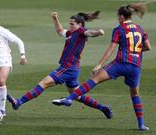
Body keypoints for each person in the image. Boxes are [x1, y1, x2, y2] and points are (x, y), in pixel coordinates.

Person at [53, 3, 151, 131]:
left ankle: (69, 99)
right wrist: (135, 51)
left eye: (118, 16)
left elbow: (111, 48)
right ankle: (141, 124)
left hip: (120, 63)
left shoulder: (119, 29)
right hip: (135, 66)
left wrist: (99, 64)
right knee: (135, 94)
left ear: (122, 16)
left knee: (94, 80)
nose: (117, 19)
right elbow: (148, 47)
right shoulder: (140, 28)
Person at [7, 11, 113, 119]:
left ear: (79, 25)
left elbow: (89, 33)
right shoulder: (70, 33)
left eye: (72, 24)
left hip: (68, 68)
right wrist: (55, 19)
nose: (70, 26)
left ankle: (19, 102)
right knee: (77, 95)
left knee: (43, 83)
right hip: (73, 68)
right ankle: (103, 108)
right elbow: (60, 31)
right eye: (69, 23)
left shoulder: (81, 32)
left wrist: (98, 32)